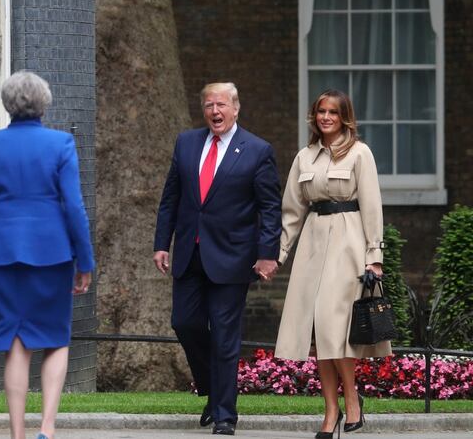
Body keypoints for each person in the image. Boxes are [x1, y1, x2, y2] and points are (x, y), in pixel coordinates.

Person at [0, 70, 94, 439]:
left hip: (2, 253)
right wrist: (85, 261)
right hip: (53, 252)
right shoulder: (61, 143)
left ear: (8, 104)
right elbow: (74, 207)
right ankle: (47, 429)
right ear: (44, 104)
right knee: (56, 338)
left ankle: (17, 433)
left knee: (15, 341)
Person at [153, 82, 281, 436]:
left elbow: (270, 208)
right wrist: (162, 243)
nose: (215, 111)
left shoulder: (257, 150)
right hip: (189, 254)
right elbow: (170, 198)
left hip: (233, 258)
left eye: (221, 104)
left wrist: (267, 254)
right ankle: (213, 387)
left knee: (225, 337)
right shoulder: (186, 143)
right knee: (184, 323)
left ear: (236, 108)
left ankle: (225, 414)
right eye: (209, 105)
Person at [274, 89, 391, 439]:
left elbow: (372, 207)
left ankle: (351, 399)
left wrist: (375, 257)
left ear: (345, 118)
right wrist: (278, 254)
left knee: (334, 327)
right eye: (321, 111)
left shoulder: (360, 153)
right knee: (319, 331)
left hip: (348, 244)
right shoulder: (305, 157)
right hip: (312, 246)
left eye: (333, 112)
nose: (326, 117)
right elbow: (292, 211)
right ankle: (331, 410)